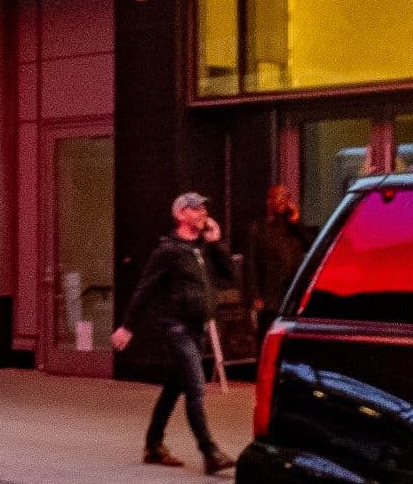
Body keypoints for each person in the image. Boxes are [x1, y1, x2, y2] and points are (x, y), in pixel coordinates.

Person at [116, 193, 239, 473]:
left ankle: (153, 444)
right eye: (196, 209)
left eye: (204, 207)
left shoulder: (202, 248)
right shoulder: (167, 251)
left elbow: (231, 275)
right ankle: (210, 453)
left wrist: (216, 243)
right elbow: (144, 288)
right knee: (195, 387)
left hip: (197, 329)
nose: (203, 212)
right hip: (176, 328)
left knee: (173, 388)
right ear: (181, 215)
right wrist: (127, 326)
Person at [249, 183, 305, 335]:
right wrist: (256, 295)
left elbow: (311, 246)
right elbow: (251, 263)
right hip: (270, 297)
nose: (283, 201)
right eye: (278, 196)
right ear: (269, 201)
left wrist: (296, 223)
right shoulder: (259, 227)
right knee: (269, 336)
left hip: (291, 294)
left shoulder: (292, 227)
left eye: (286, 197)